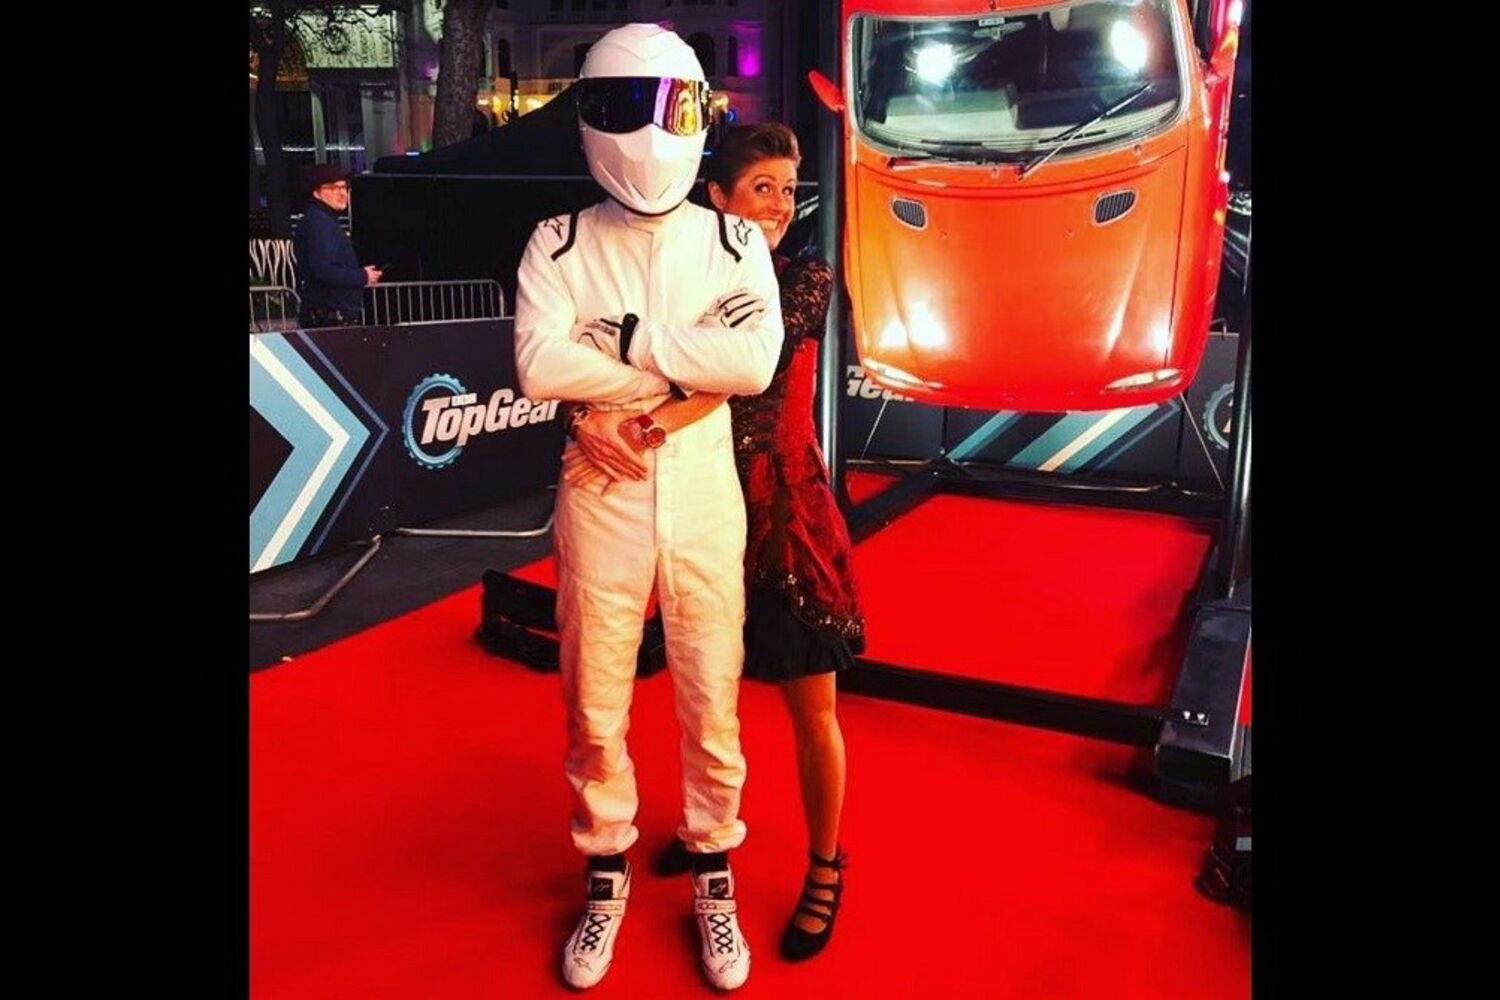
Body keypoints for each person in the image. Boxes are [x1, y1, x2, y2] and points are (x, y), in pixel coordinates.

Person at [511, 24, 785, 992]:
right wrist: (673, 366)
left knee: (713, 694)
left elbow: (753, 362)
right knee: (593, 699)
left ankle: (713, 867)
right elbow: (537, 363)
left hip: (701, 485)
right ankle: (606, 868)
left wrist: (621, 342)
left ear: (699, 113)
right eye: (623, 107)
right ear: (590, 115)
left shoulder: (733, 240)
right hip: (601, 487)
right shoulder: (560, 241)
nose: (645, 131)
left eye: (665, 107)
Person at [565, 122, 864, 962]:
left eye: (787, 189)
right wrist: (585, 407)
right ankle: (706, 835)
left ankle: (826, 867)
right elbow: (608, 360)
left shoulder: (802, 278)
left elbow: (733, 374)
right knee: (705, 698)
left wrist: (630, 411)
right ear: (716, 198)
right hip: (692, 510)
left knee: (811, 709)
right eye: (762, 187)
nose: (780, 204)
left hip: (783, 519)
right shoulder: (685, 284)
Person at [292, 163, 381, 327]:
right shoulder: (320, 222)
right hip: (330, 315)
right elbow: (324, 269)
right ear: (316, 192)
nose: (342, 193)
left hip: (327, 312)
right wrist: (362, 276)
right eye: (334, 188)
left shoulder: (321, 219)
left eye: (344, 187)